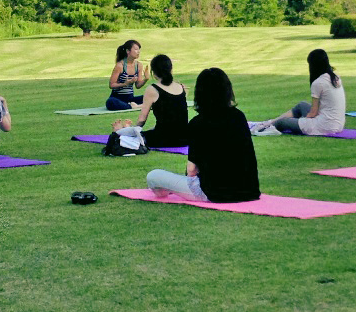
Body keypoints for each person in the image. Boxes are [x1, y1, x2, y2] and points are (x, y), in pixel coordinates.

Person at [147, 68, 260, 202]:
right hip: (248, 190)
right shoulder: (239, 117)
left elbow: (192, 170)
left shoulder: (198, 123)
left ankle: (167, 191)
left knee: (153, 176)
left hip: (213, 192)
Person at [251, 49, 346, 136]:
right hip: (337, 124)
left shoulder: (318, 83)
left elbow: (313, 113)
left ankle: (266, 126)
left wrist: (303, 122)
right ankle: (271, 122)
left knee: (283, 122)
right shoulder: (335, 77)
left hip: (324, 126)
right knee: (302, 105)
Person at [136, 54, 188, 147]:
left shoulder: (152, 89)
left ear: (154, 72)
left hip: (163, 138)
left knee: (131, 137)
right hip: (184, 138)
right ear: (170, 69)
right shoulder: (180, 87)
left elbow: (142, 120)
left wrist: (134, 131)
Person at [105, 39, 149, 111]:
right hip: (117, 98)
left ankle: (132, 105)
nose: (138, 52)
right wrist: (125, 84)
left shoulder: (138, 65)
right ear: (128, 51)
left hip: (130, 99)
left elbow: (138, 86)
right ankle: (134, 106)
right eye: (136, 49)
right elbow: (112, 85)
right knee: (111, 102)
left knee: (150, 97)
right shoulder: (120, 65)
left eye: (139, 49)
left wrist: (146, 79)